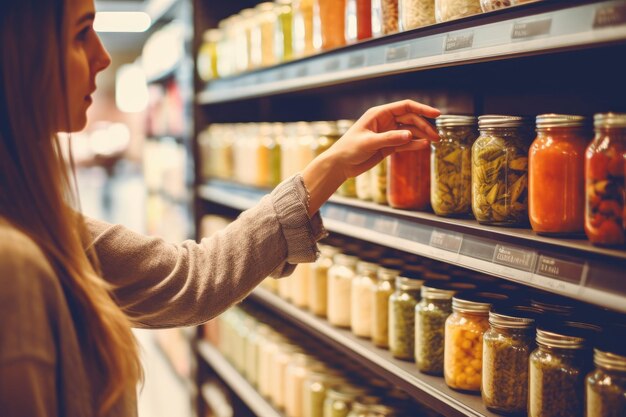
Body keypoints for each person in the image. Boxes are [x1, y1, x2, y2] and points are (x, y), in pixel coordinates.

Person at [0, 0, 441, 415]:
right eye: (80, 34)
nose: (102, 57)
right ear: (18, 56)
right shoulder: (13, 264)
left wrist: (331, 165)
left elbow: (191, 279)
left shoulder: (40, 221)